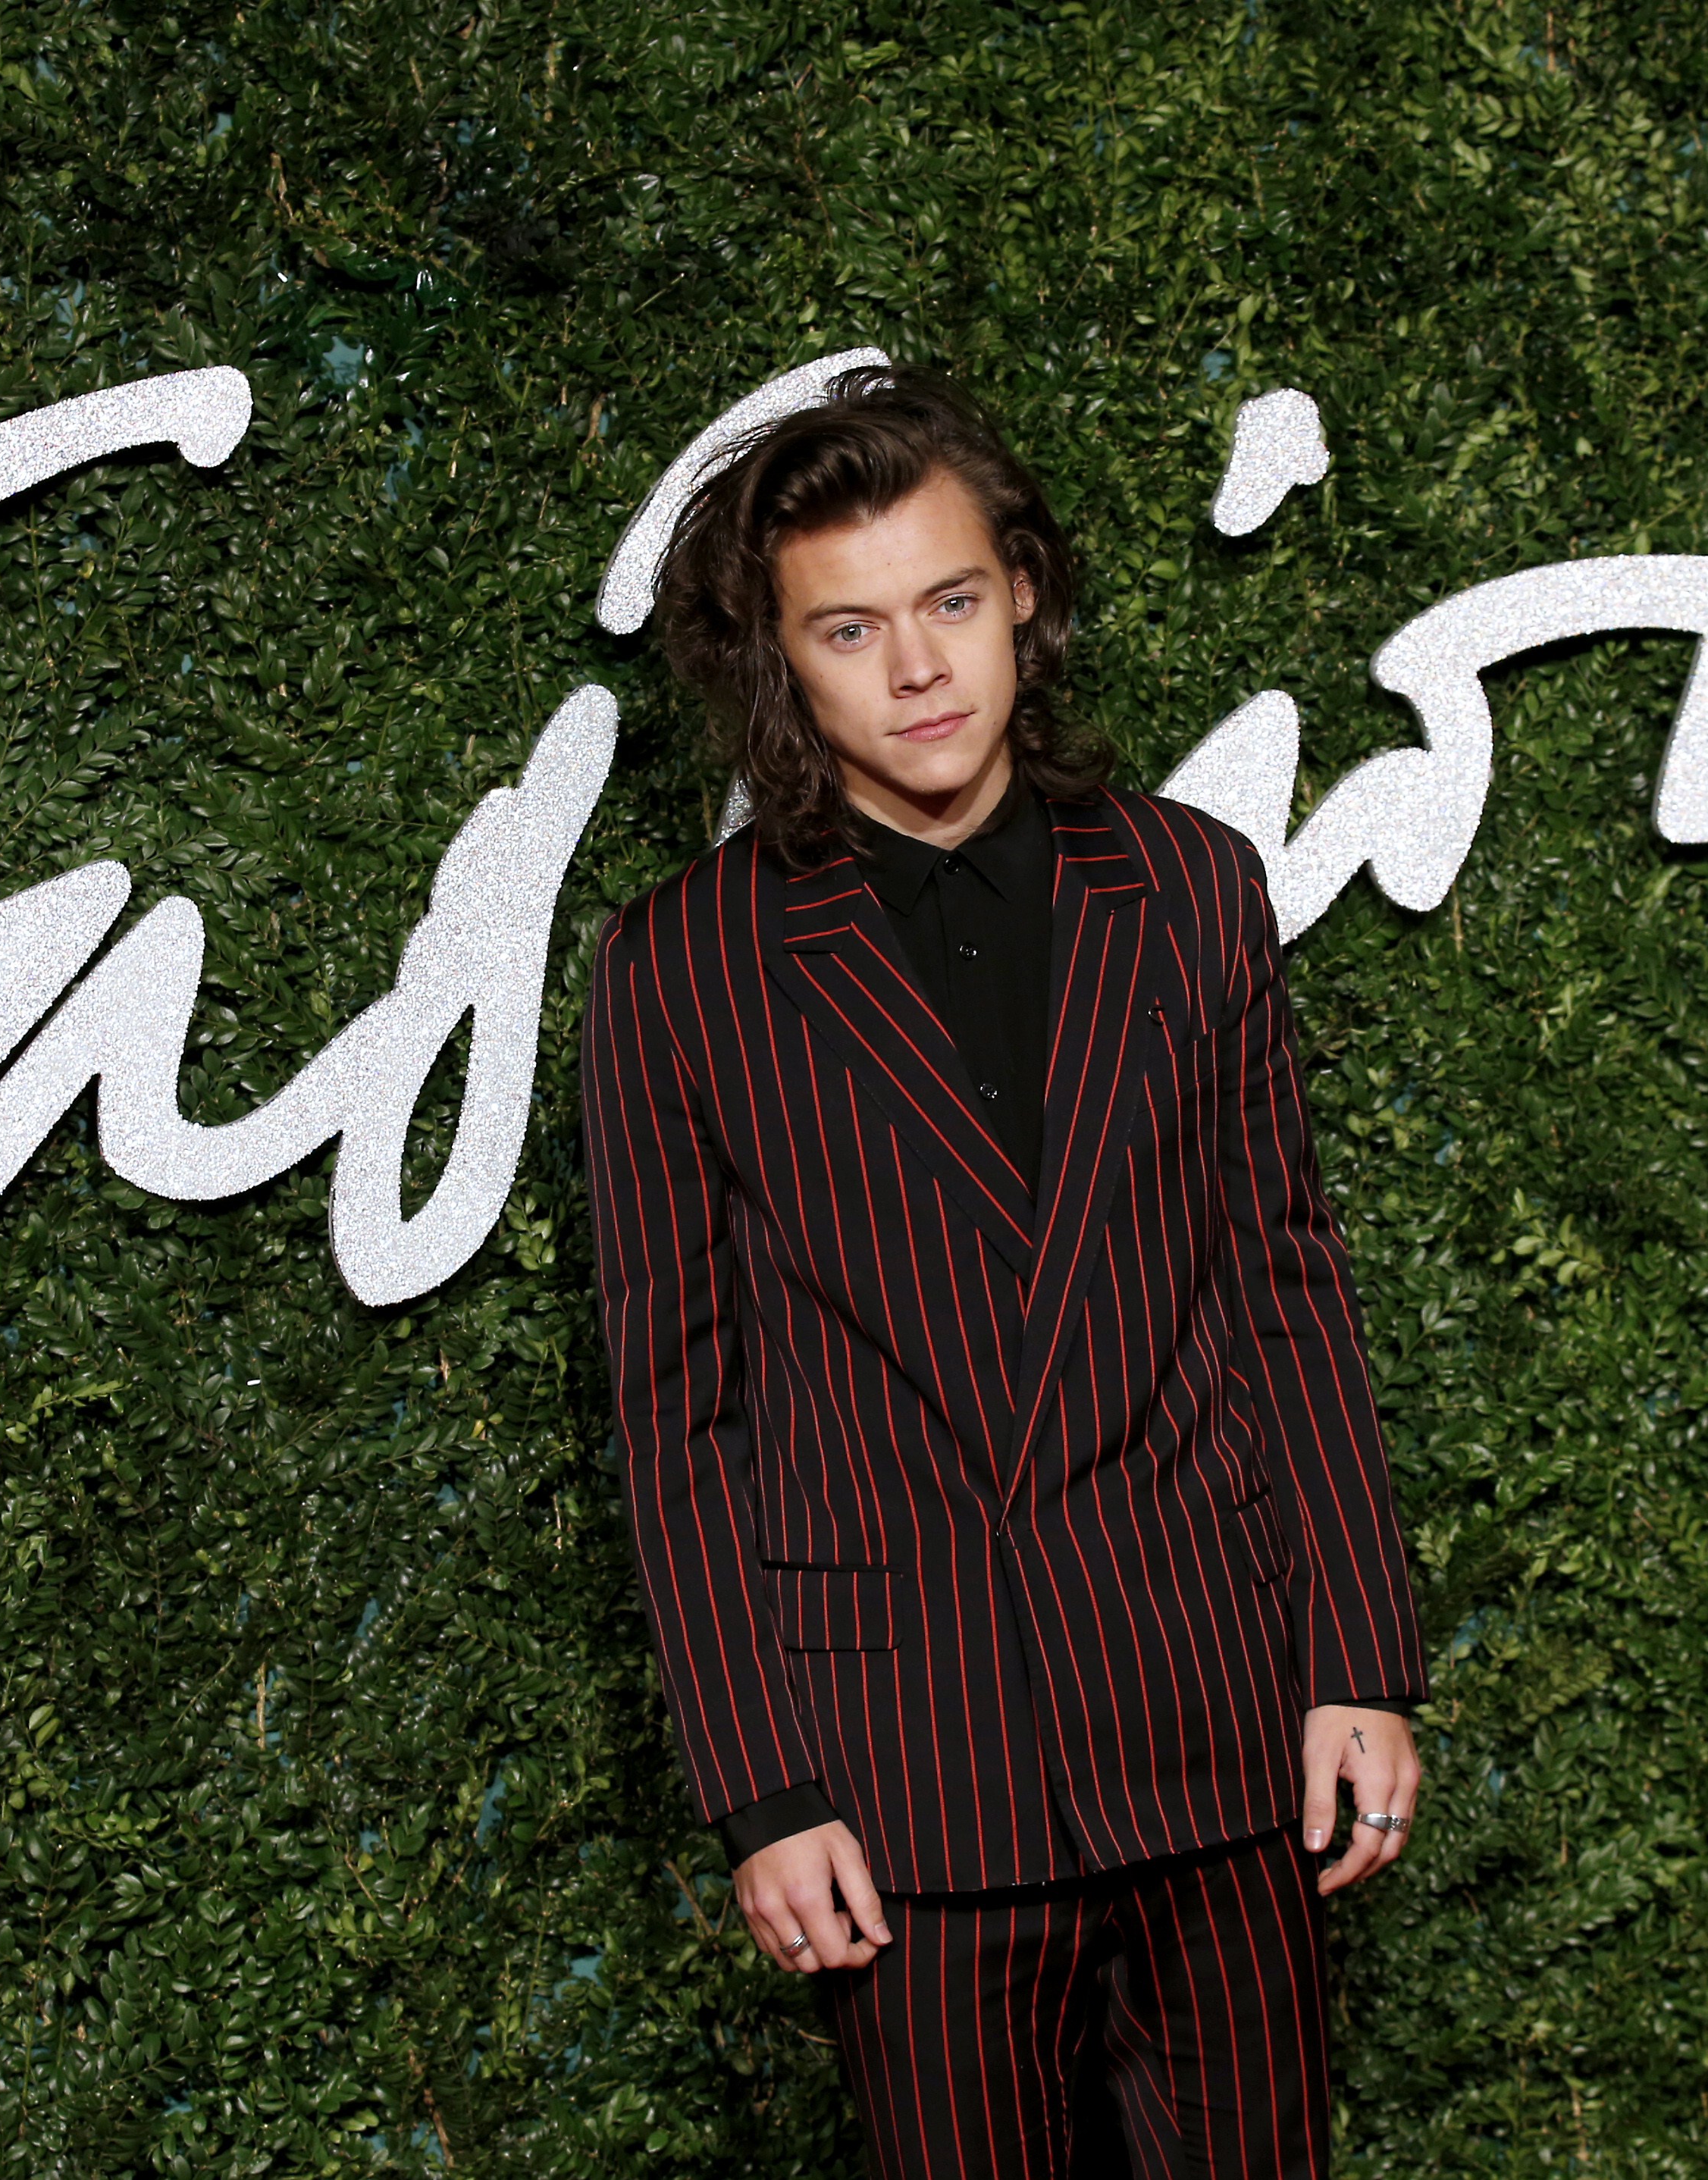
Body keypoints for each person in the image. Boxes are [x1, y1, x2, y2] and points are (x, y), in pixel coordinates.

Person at [581, 364, 1428, 2179]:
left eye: (952, 602)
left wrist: (1359, 1653)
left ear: (1023, 594)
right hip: (903, 1774)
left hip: (1211, 1720)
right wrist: (762, 1786)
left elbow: (1285, 1284)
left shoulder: (1194, 886)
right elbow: (677, 1415)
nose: (918, 669)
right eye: (852, 629)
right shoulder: (678, 972)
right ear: (780, 666)